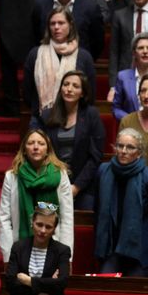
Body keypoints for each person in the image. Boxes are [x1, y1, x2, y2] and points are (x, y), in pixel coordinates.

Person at [0, 129, 74, 263]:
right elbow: (4, 219)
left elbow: (67, 218)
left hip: (53, 247)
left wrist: (66, 257)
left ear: (48, 150)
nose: (36, 147)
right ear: (24, 150)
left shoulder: (60, 175)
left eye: (41, 143)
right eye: (31, 143)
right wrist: (9, 256)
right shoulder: (12, 177)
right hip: (20, 248)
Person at [94, 128, 148, 277]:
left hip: (141, 252)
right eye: (120, 146)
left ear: (139, 152)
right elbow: (98, 210)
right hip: (112, 249)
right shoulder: (103, 171)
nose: (123, 151)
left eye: (130, 147)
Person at [39, 71, 103, 210]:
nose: (69, 89)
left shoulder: (91, 115)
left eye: (75, 86)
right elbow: (41, 151)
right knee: (46, 219)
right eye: (66, 84)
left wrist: (77, 186)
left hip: (82, 183)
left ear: (83, 93)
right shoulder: (47, 114)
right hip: (52, 180)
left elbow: (96, 156)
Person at [24, 8, 96, 122]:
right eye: (52, 24)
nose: (56, 27)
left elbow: (90, 94)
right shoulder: (35, 54)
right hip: (40, 119)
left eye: (61, 23)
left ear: (70, 25)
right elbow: (28, 92)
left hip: (75, 120)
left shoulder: (84, 57)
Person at [32, 0, 104, 59]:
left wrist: (85, 59)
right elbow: (35, 35)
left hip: (78, 63)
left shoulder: (90, 8)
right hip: (46, 60)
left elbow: (97, 41)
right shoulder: (40, 5)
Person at [4, 204, 71, 295]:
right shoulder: (18, 247)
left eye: (48, 227)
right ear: (32, 223)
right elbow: (10, 284)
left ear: (54, 230)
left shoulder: (62, 251)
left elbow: (61, 283)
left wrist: (28, 281)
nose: (43, 230)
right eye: (39, 224)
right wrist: (44, 288)